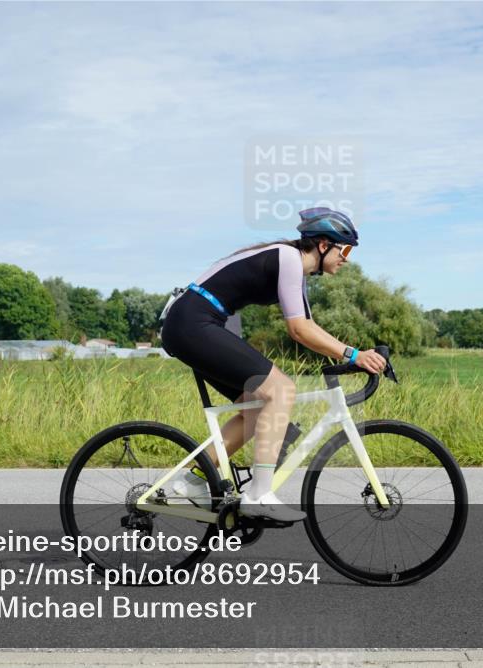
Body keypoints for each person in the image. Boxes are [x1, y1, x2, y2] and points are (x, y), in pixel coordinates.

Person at [160, 207, 388, 522]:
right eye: (345, 250)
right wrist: (353, 355)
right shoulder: (289, 258)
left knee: (255, 410)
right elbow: (299, 330)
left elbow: (307, 324)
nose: (346, 258)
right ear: (323, 245)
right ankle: (258, 494)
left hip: (195, 322)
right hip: (192, 322)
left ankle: (194, 480)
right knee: (281, 391)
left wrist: (352, 355)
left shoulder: (293, 266)